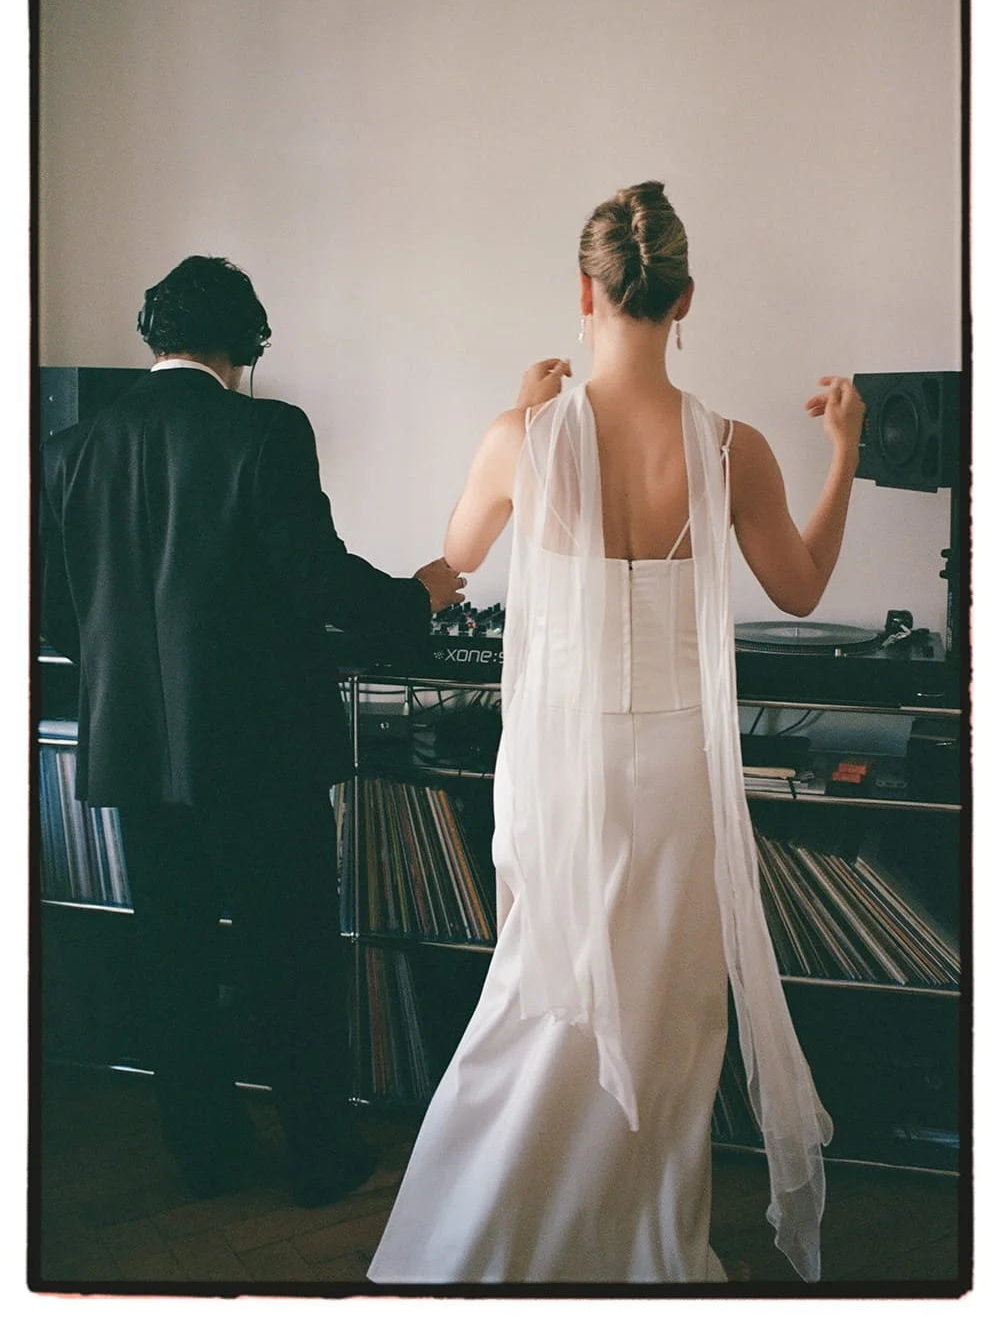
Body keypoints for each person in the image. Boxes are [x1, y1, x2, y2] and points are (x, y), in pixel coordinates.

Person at [366, 181, 866, 1284]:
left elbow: (458, 555)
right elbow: (801, 586)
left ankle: (487, 1234)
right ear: (684, 298)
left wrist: (521, 413)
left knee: (538, 994)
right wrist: (845, 450)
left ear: (584, 293)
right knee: (669, 1014)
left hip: (565, 769)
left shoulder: (521, 439)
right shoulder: (732, 447)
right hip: (680, 772)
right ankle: (642, 1245)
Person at [38, 254, 469, 1206]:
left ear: (156, 334)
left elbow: (60, 616)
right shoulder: (267, 431)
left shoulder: (69, 451)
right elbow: (316, 577)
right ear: (245, 342)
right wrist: (418, 597)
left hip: (136, 756)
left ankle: (205, 1157)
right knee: (292, 962)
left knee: (174, 964)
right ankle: (321, 1158)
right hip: (259, 756)